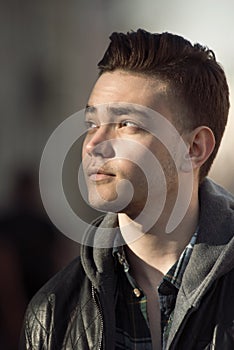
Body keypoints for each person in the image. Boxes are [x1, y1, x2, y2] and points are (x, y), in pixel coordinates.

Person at [20, 29, 234, 349]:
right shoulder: (51, 313)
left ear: (194, 147)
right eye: (92, 124)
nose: (93, 144)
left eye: (126, 124)